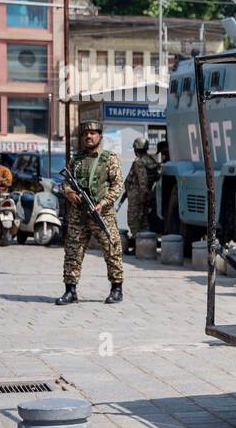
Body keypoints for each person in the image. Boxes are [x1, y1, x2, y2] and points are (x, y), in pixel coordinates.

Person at [57, 120, 125, 305]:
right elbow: (65, 182)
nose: (89, 136)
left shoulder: (109, 158)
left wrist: (103, 203)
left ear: (99, 136)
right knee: (73, 251)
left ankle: (116, 289)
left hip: (102, 214)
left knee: (112, 250)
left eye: (93, 133)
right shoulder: (76, 159)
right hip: (78, 215)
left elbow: (118, 185)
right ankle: (70, 290)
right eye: (86, 134)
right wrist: (69, 192)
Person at [123, 136, 159, 255]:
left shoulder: (139, 162)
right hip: (143, 194)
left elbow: (142, 179)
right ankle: (143, 246)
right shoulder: (151, 161)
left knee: (133, 220)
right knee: (143, 220)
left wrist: (142, 195)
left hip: (137, 195)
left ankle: (137, 246)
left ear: (136, 148)